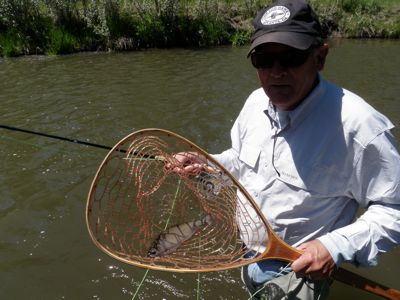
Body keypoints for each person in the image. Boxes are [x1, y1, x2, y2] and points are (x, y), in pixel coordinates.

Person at [175, 0, 400, 298]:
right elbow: (241, 162)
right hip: (249, 253)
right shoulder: (255, 102)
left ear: (320, 57)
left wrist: (335, 247)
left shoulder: (360, 128)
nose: (276, 71)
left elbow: (393, 208)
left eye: (291, 57)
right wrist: (210, 165)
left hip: (300, 271)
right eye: (263, 59)